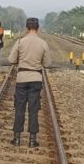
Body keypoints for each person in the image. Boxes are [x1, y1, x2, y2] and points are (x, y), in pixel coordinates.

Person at [8, 17, 51, 147]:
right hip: (36, 79)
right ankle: (32, 140)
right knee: (33, 109)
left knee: (19, 108)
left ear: (27, 28)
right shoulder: (43, 43)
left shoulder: (20, 42)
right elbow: (48, 63)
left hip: (21, 79)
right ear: (38, 28)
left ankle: (16, 138)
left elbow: (11, 59)